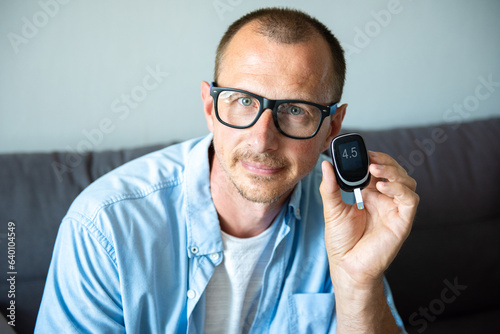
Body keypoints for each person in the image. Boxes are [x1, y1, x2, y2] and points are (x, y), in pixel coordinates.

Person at [35, 7, 418, 333]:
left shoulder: (345, 216)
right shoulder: (105, 226)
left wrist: (358, 283)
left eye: (295, 110)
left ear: (332, 128)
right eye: (242, 101)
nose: (262, 139)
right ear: (209, 107)